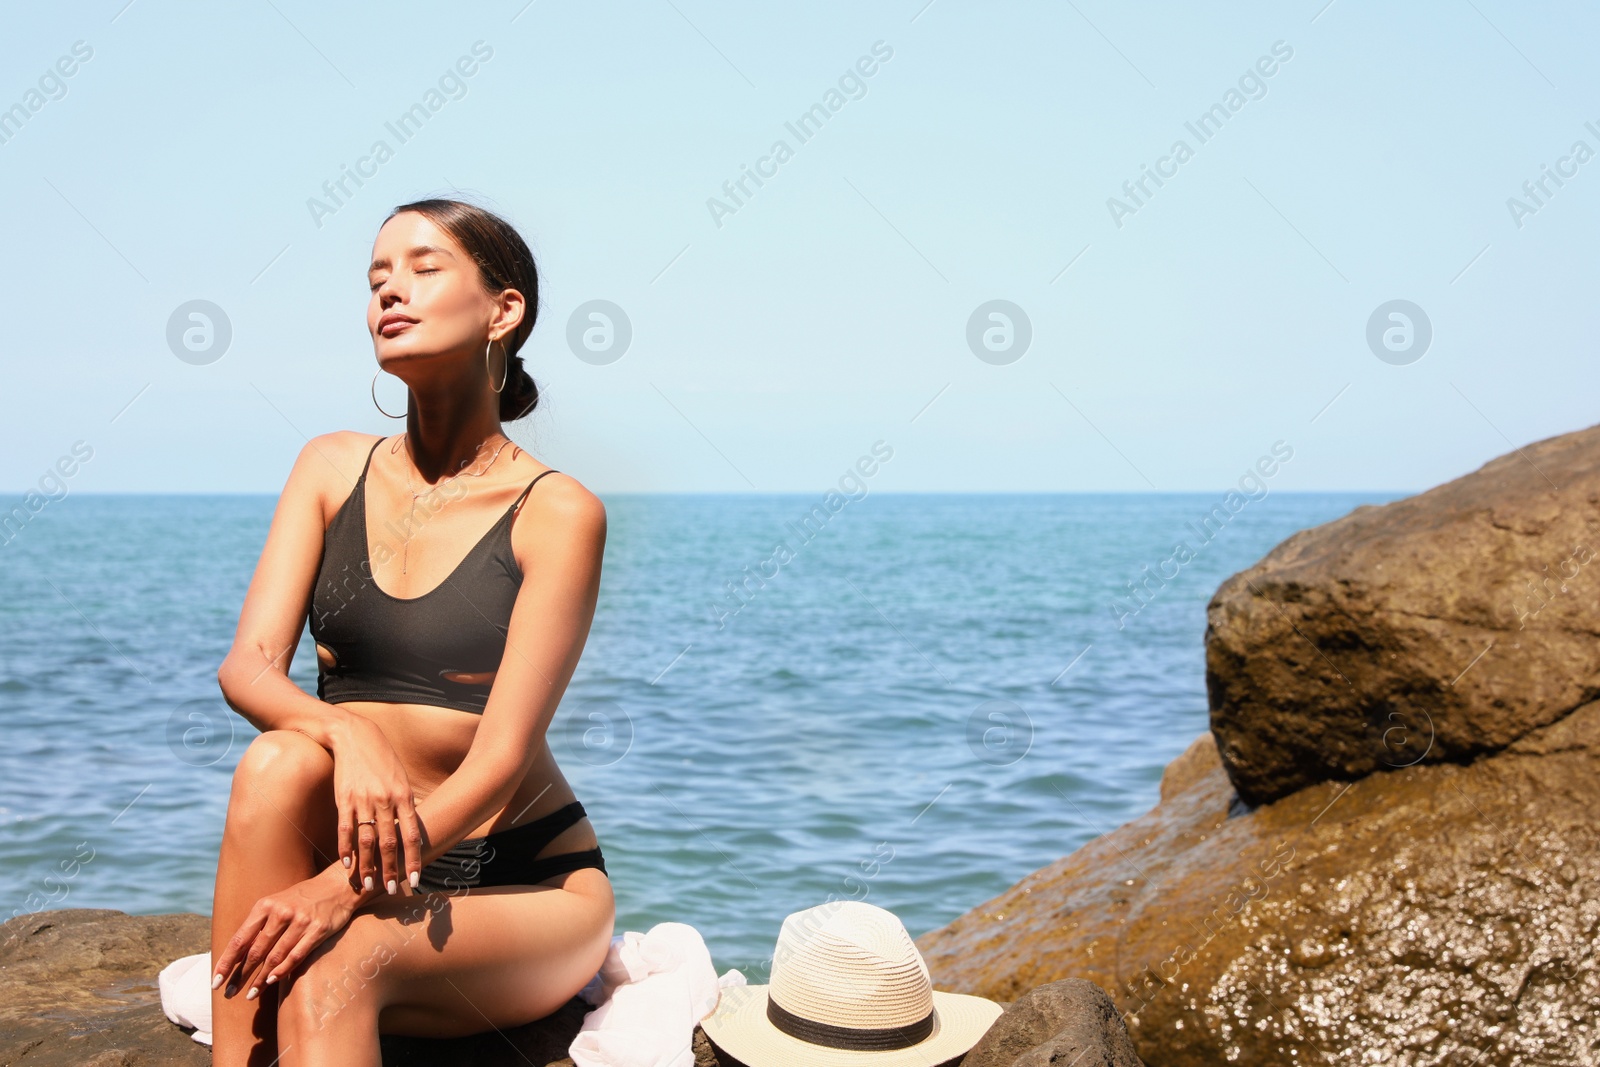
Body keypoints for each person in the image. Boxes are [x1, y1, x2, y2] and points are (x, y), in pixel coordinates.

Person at [207, 197, 613, 1065]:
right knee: (278, 759)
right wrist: (344, 730)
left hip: (520, 875)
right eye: (377, 277)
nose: (390, 291)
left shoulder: (557, 511)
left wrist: (335, 890)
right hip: (372, 857)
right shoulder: (328, 466)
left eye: (425, 268)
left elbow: (501, 763)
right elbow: (248, 667)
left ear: (504, 311)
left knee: (331, 968)